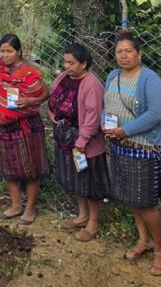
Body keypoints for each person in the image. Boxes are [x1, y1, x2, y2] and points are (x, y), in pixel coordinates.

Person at [103, 31, 161, 276]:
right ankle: (143, 240)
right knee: (132, 197)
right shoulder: (113, 75)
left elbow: (155, 114)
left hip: (144, 148)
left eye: (128, 51)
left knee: (146, 202)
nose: (123, 56)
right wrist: (106, 125)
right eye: (119, 52)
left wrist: (125, 130)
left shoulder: (149, 79)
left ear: (139, 54)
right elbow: (106, 105)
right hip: (119, 147)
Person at [0, 34, 49, 224]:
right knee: (9, 167)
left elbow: (44, 92)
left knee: (31, 168)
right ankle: (15, 205)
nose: (5, 55)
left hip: (27, 127)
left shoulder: (28, 72)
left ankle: (30, 207)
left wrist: (30, 100)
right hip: (4, 127)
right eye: (2, 51)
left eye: (9, 51)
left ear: (19, 51)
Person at [48, 43, 109, 242]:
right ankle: (82, 215)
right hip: (65, 138)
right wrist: (52, 114)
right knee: (76, 178)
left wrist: (82, 142)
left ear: (84, 64)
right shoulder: (63, 78)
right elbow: (53, 98)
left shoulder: (92, 84)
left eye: (72, 63)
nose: (67, 66)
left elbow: (92, 116)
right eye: (65, 62)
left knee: (89, 182)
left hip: (85, 142)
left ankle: (93, 221)